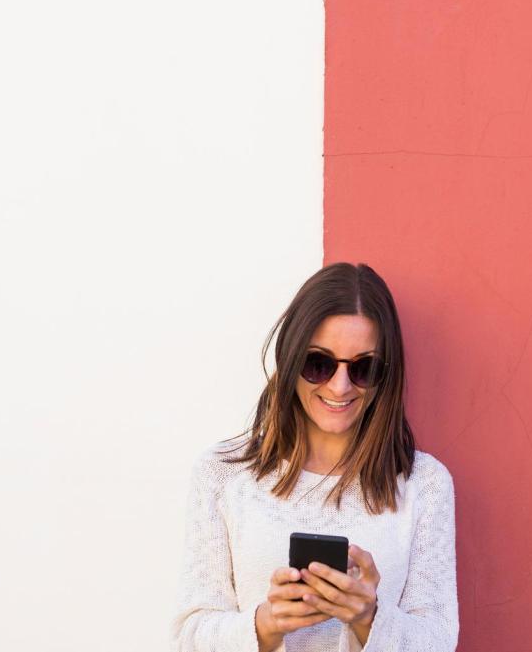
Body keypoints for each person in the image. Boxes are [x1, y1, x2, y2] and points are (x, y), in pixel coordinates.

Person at [170, 262, 459, 651]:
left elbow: (438, 641)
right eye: (318, 363)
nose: (339, 387)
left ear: (386, 373)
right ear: (290, 360)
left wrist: (368, 619)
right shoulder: (223, 474)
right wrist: (266, 625)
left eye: (364, 368)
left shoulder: (423, 484)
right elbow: (189, 637)